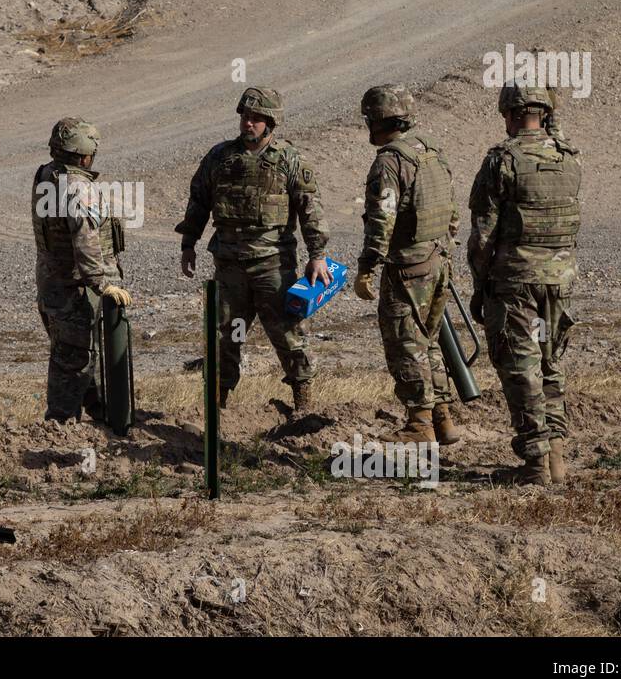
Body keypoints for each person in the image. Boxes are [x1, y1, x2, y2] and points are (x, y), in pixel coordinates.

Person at [176, 87, 330, 415]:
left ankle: (303, 408)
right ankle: (218, 410)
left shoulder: (289, 159)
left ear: (271, 123)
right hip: (229, 265)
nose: (249, 124)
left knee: (289, 336)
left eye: (257, 119)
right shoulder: (219, 157)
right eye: (245, 117)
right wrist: (188, 243)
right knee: (225, 338)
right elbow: (199, 201)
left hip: (273, 264)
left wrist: (317, 254)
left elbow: (310, 209)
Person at [468, 82, 581, 485]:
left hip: (516, 283)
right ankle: (557, 460)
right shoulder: (568, 157)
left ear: (511, 113)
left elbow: (483, 233)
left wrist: (480, 285)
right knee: (550, 365)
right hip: (559, 282)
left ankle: (535, 464)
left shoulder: (502, 159)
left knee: (521, 368)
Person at [353, 84, 460, 445]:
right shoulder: (430, 150)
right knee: (428, 341)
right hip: (439, 258)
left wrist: (367, 266)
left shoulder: (390, 160)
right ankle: (441, 417)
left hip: (408, 266)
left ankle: (419, 424)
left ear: (379, 118)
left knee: (404, 342)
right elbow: (453, 213)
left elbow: (381, 220)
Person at [32, 117, 131, 424]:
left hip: (53, 285)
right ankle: (59, 426)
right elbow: (85, 240)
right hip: (74, 290)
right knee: (73, 359)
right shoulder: (77, 187)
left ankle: (98, 413)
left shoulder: (47, 175)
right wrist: (102, 284)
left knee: (78, 354)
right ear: (86, 154)